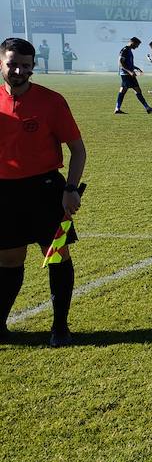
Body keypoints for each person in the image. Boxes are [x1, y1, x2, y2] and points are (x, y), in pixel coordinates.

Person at [0, 38, 86, 347]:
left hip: (47, 192)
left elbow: (78, 150)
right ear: (1, 63)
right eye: (12, 64)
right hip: (4, 194)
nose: (19, 71)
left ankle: (60, 328)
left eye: (25, 65)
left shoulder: (52, 101)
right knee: (9, 261)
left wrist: (71, 189)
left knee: (57, 256)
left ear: (33, 66)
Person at [114, 37, 152, 115]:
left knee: (123, 91)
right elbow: (120, 63)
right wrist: (130, 72)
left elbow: (128, 63)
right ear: (132, 42)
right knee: (137, 90)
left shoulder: (129, 50)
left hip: (126, 74)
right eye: (137, 45)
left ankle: (117, 109)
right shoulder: (125, 50)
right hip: (127, 74)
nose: (137, 47)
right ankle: (148, 108)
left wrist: (136, 68)